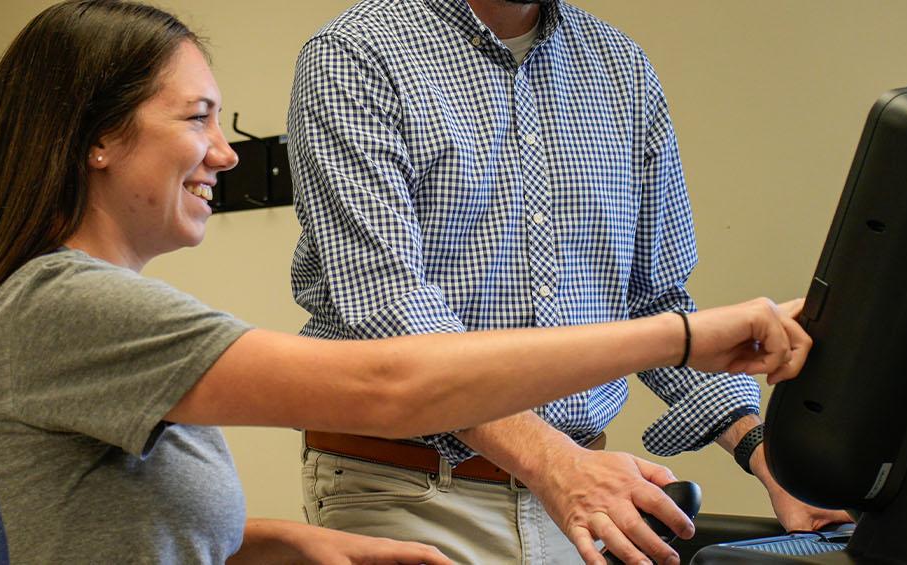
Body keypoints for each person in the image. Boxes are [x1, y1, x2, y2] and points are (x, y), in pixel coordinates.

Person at [0, 2, 815, 563]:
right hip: (425, 479)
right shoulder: (75, 307)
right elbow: (392, 376)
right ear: (98, 138)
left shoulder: (86, 308)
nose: (227, 152)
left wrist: (283, 541)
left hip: (581, 498)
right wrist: (686, 336)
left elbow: (121, 528)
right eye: (200, 118)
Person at [286, 0, 854, 563]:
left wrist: (767, 455)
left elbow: (656, 303)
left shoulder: (621, 67)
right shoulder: (355, 53)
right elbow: (393, 309)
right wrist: (554, 463)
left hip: (583, 499)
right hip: (408, 492)